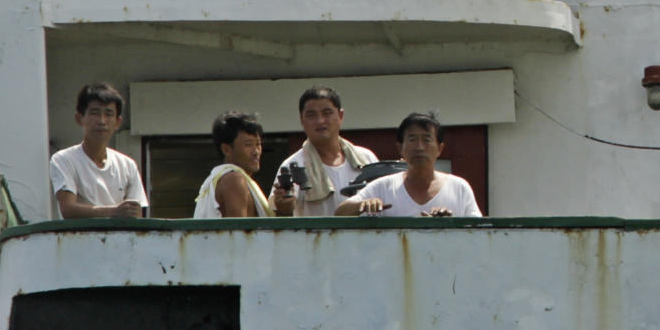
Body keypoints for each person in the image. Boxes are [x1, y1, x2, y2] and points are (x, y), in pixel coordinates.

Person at [335, 112, 482, 217]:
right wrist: (362, 205)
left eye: (427, 139)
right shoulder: (383, 187)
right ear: (400, 148)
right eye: (412, 139)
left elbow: (476, 232)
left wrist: (448, 224)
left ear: (440, 148)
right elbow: (340, 212)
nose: (419, 147)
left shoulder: (459, 187)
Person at [270, 87, 378, 216]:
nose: (320, 121)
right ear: (301, 120)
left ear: (340, 115)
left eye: (327, 113)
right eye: (311, 115)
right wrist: (284, 207)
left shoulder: (366, 158)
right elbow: (280, 215)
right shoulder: (292, 165)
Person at [50, 82, 148, 218]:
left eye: (109, 114)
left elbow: (136, 214)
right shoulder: (63, 159)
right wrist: (115, 212)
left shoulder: (127, 165)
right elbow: (68, 210)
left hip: (120, 238)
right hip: (78, 238)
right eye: (95, 113)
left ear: (118, 122)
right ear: (79, 119)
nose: (102, 121)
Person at [194, 111, 281, 218]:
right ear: (226, 149)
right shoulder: (234, 180)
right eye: (248, 144)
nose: (256, 151)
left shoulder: (227, 178)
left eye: (258, 144)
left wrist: (284, 210)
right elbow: (239, 234)